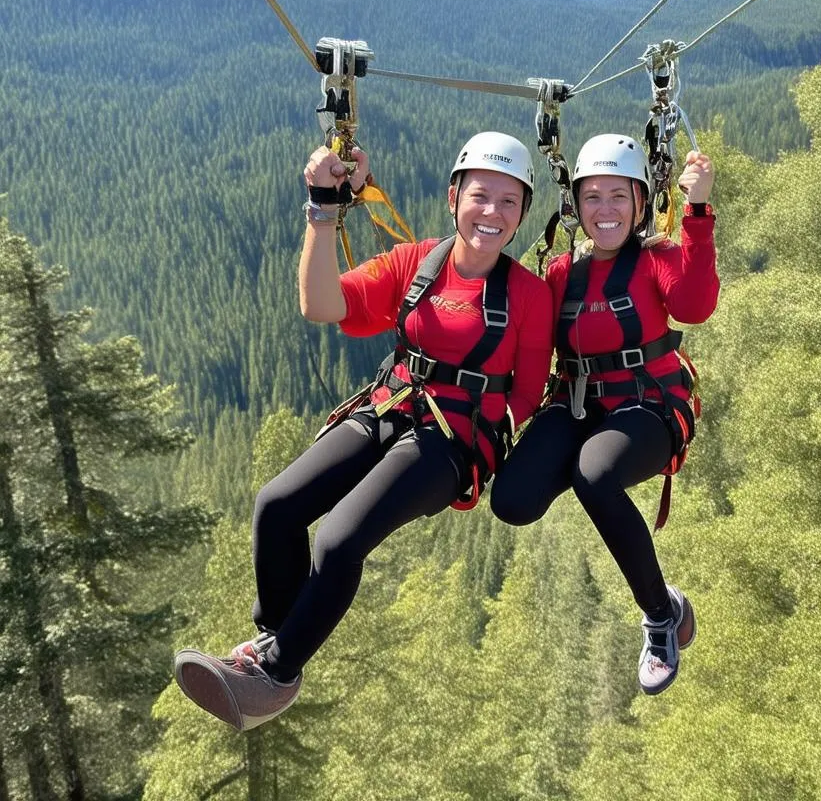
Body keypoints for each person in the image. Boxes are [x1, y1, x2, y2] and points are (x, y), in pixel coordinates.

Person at [175, 132, 553, 730]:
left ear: (523, 214)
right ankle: (275, 639)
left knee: (338, 539)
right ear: (453, 197)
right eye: (482, 196)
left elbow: (527, 395)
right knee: (276, 506)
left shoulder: (530, 295)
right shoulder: (417, 263)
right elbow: (321, 304)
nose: (494, 213)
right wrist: (322, 213)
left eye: (511, 202)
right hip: (390, 404)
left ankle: (273, 675)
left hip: (454, 440)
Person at [490, 133, 718, 696]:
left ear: (641, 203)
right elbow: (528, 345)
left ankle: (659, 616)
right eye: (592, 198)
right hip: (579, 402)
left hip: (651, 405)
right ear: (576, 207)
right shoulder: (562, 273)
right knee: (512, 501)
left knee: (594, 473)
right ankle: (669, 604)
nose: (606, 210)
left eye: (618, 196)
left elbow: (694, 305)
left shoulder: (657, 259)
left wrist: (697, 211)